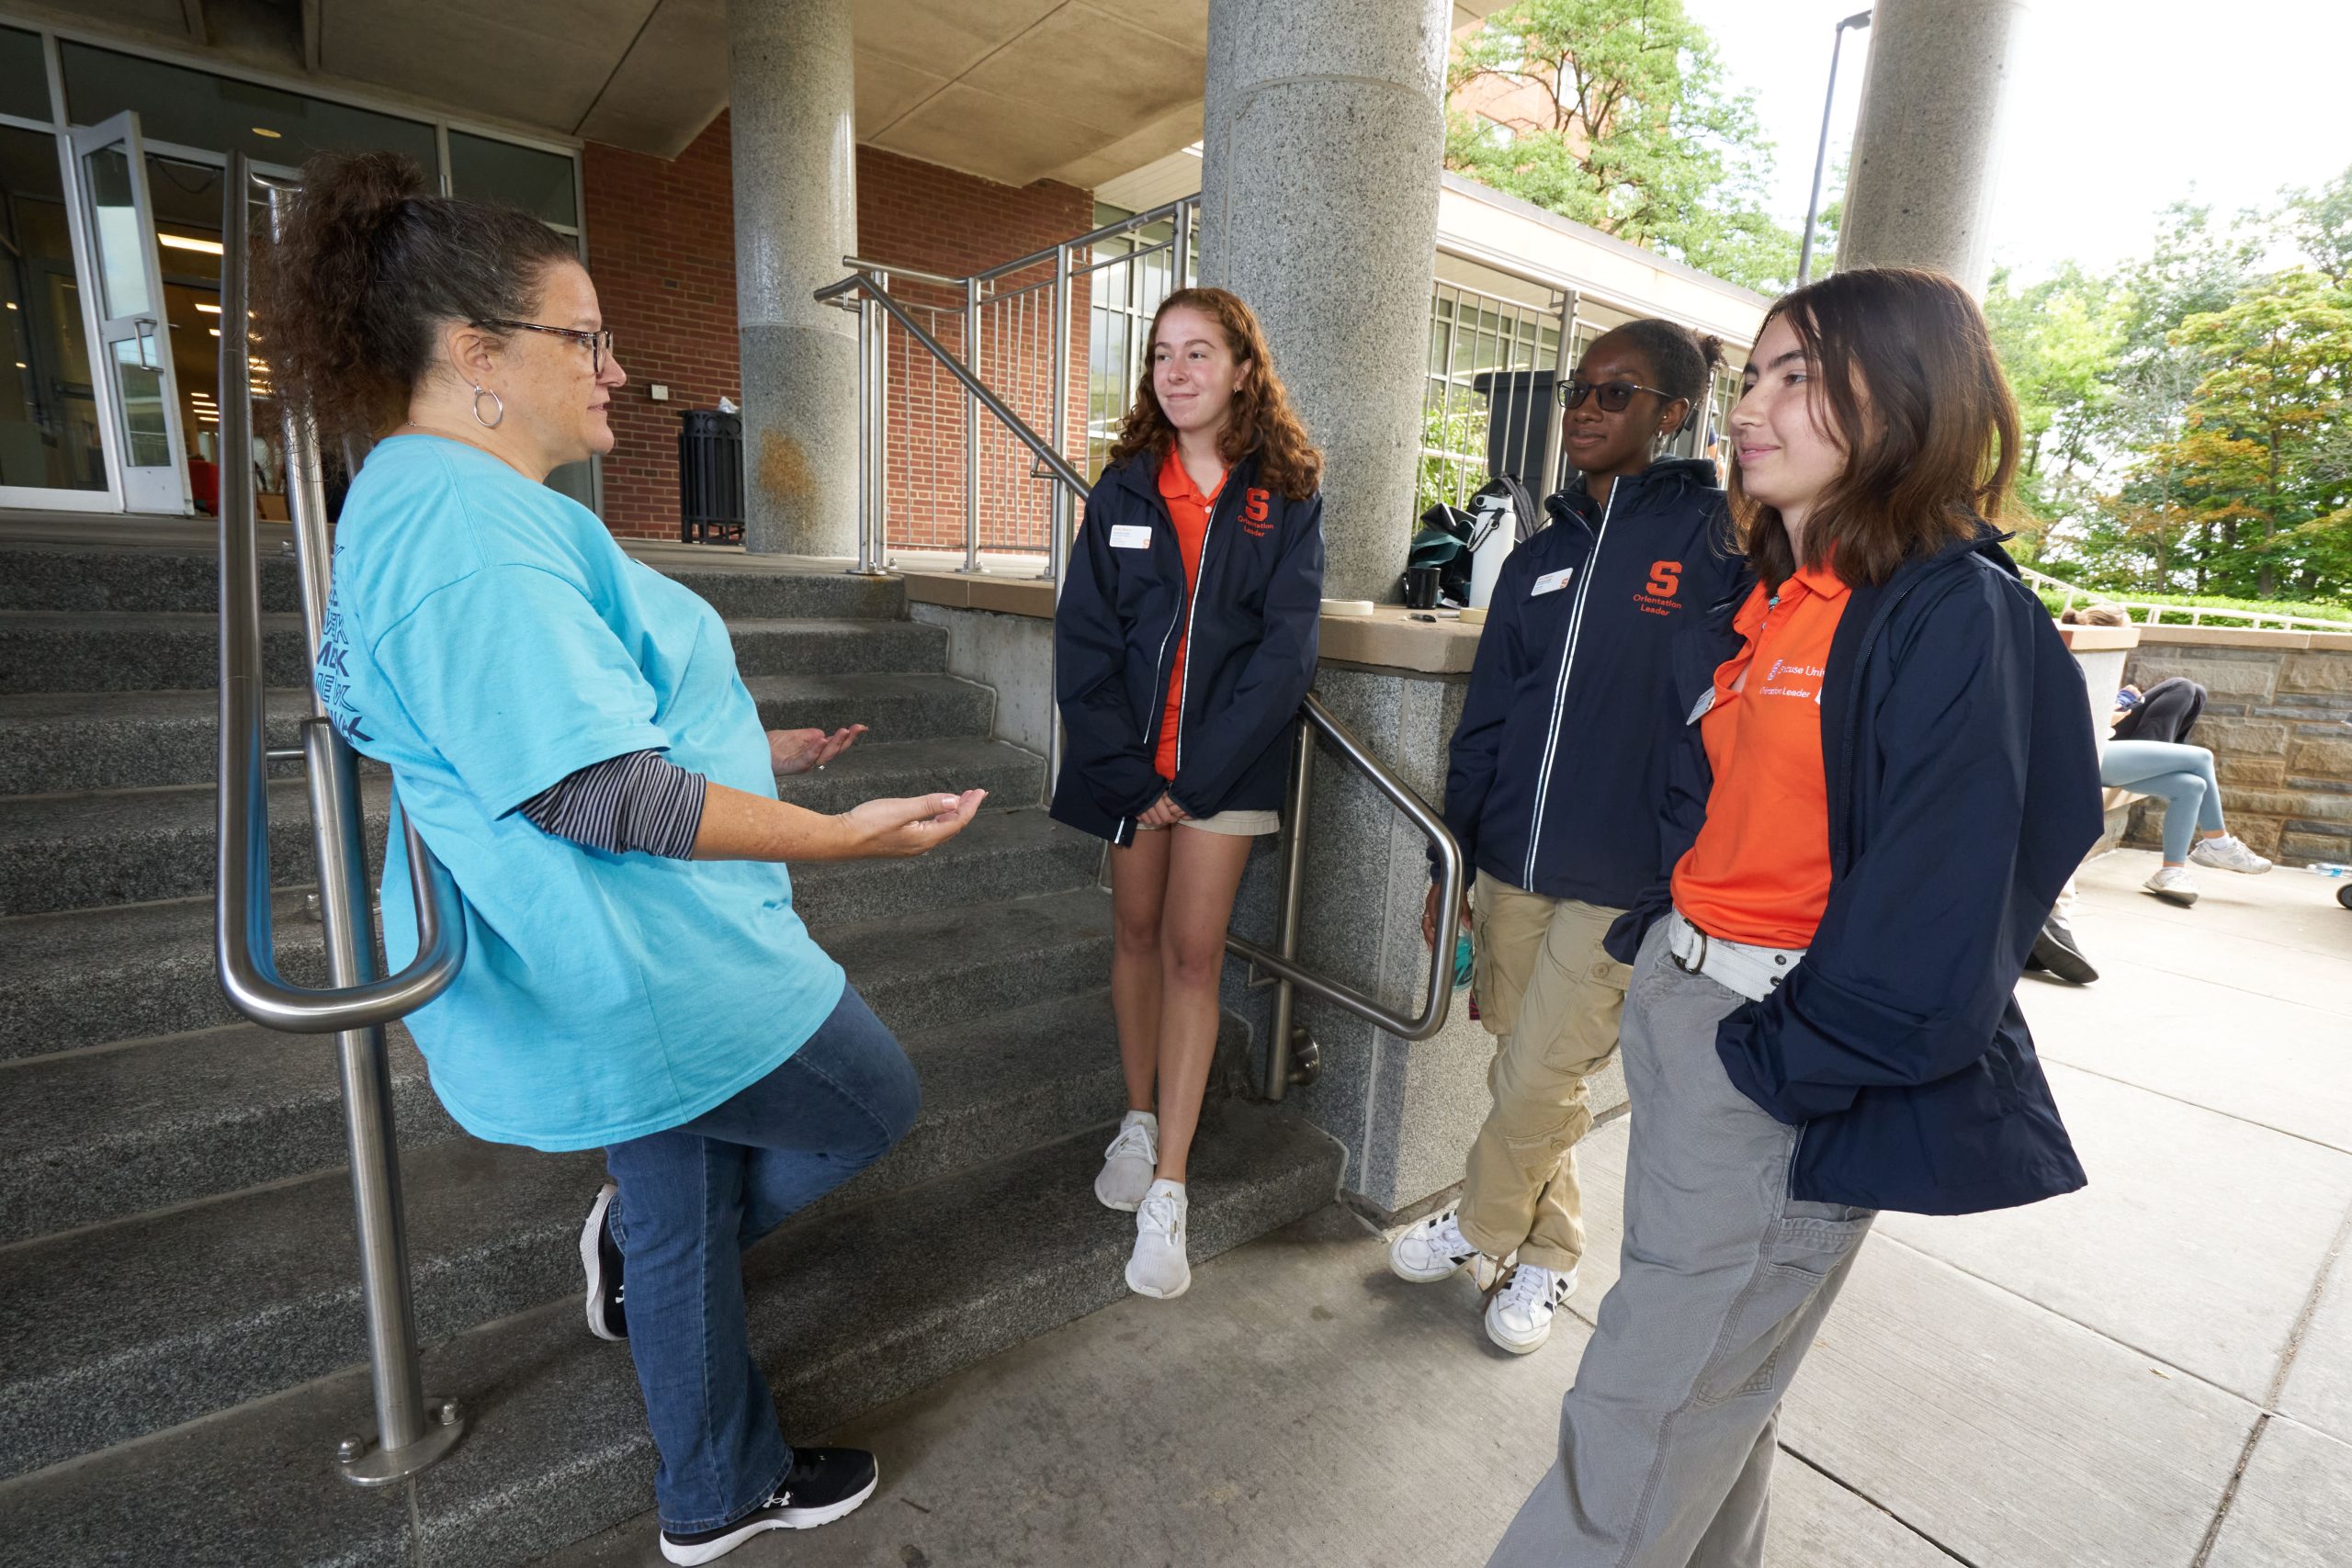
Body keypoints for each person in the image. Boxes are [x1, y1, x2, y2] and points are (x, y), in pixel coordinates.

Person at [259, 152, 986, 1567]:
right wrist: (836, 837)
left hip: (607, 950)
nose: (616, 366)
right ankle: (674, 1335)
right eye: (582, 336)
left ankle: (714, 1474)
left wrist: (747, 747)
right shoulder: (463, 531)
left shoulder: (439, 505)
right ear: (478, 354)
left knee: (674, 1194)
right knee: (865, 1101)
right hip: (641, 949)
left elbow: (546, 721)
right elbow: (597, 789)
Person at [1487, 267, 2103, 1568]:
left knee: (1634, 1423)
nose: (1752, 407)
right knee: (1713, 1395)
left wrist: (1778, 1066)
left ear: (1910, 400)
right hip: (1695, 1004)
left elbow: (1964, 888)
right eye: (1755, 375)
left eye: (1799, 377)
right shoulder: (1782, 583)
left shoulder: (1953, 610)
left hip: (1777, 1051)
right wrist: (1663, 944)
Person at [1389, 319, 1746, 1356]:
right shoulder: (1540, 556)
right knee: (1527, 1074)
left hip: (1622, 877)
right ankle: (1548, 1257)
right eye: (1577, 391)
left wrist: (1682, 860)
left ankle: (1476, 1224)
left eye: (1616, 394)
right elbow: (1488, 719)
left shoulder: (1715, 541)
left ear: (1671, 415)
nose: (1585, 410)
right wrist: (1449, 861)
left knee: (1543, 1076)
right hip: (1508, 863)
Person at [1050, 287, 1325, 1302]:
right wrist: (1129, 773)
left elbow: (1285, 650)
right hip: (1126, 766)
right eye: (1162, 353)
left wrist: (1194, 780)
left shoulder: (1286, 490)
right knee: (1131, 936)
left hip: (1221, 770)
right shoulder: (1123, 486)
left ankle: (1170, 1183)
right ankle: (1137, 1115)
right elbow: (1083, 640)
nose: (1175, 371)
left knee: (1193, 954)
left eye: (1199, 352)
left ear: (1243, 369)